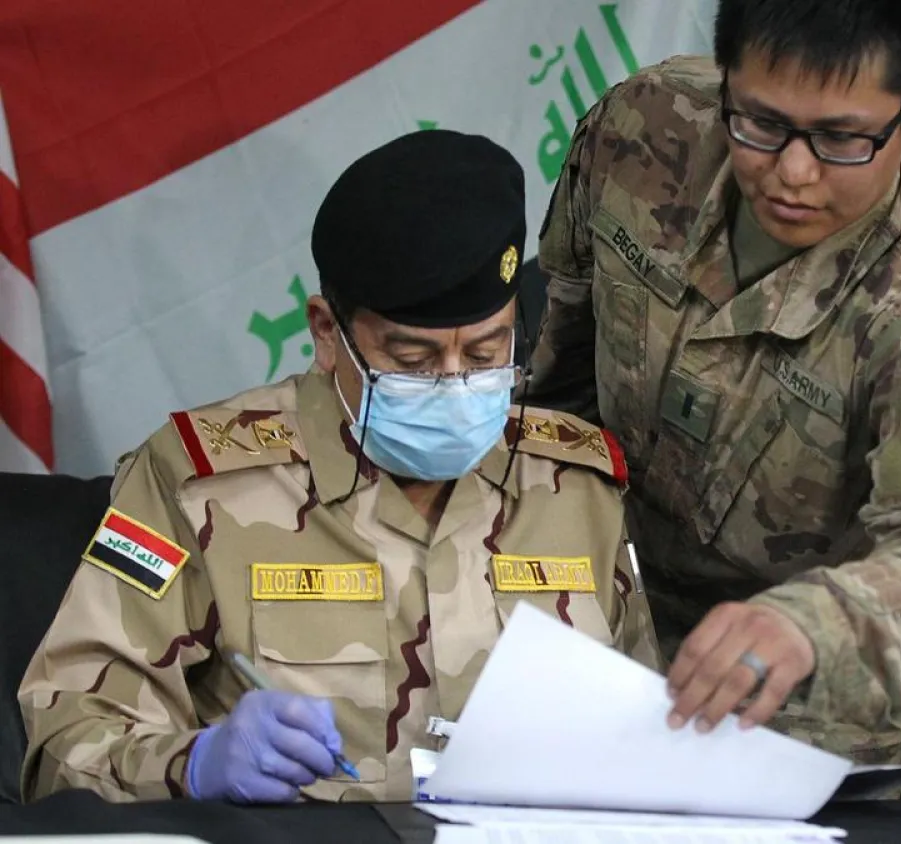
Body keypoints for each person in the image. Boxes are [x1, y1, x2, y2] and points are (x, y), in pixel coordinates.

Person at [19, 130, 660, 804]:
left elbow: (656, 742)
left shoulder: (577, 486)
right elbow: (66, 740)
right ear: (328, 332)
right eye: (411, 362)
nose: (451, 384)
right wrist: (195, 764)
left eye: (484, 355)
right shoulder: (194, 483)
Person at [523, 0, 901, 763]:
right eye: (759, 123)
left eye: (840, 138)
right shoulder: (643, 127)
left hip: (781, 716)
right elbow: (554, 372)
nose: (792, 172)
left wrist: (807, 625)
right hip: (584, 633)